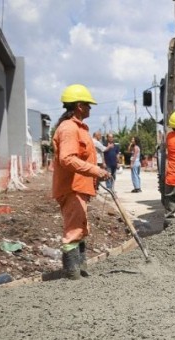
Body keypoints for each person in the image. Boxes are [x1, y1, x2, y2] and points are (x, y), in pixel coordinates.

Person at [51, 84, 112, 280]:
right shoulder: (69, 128)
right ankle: (73, 274)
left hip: (80, 186)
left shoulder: (79, 128)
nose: (90, 109)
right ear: (79, 105)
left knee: (81, 228)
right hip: (72, 187)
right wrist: (96, 171)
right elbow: (67, 159)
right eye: (88, 105)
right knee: (73, 230)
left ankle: (81, 271)